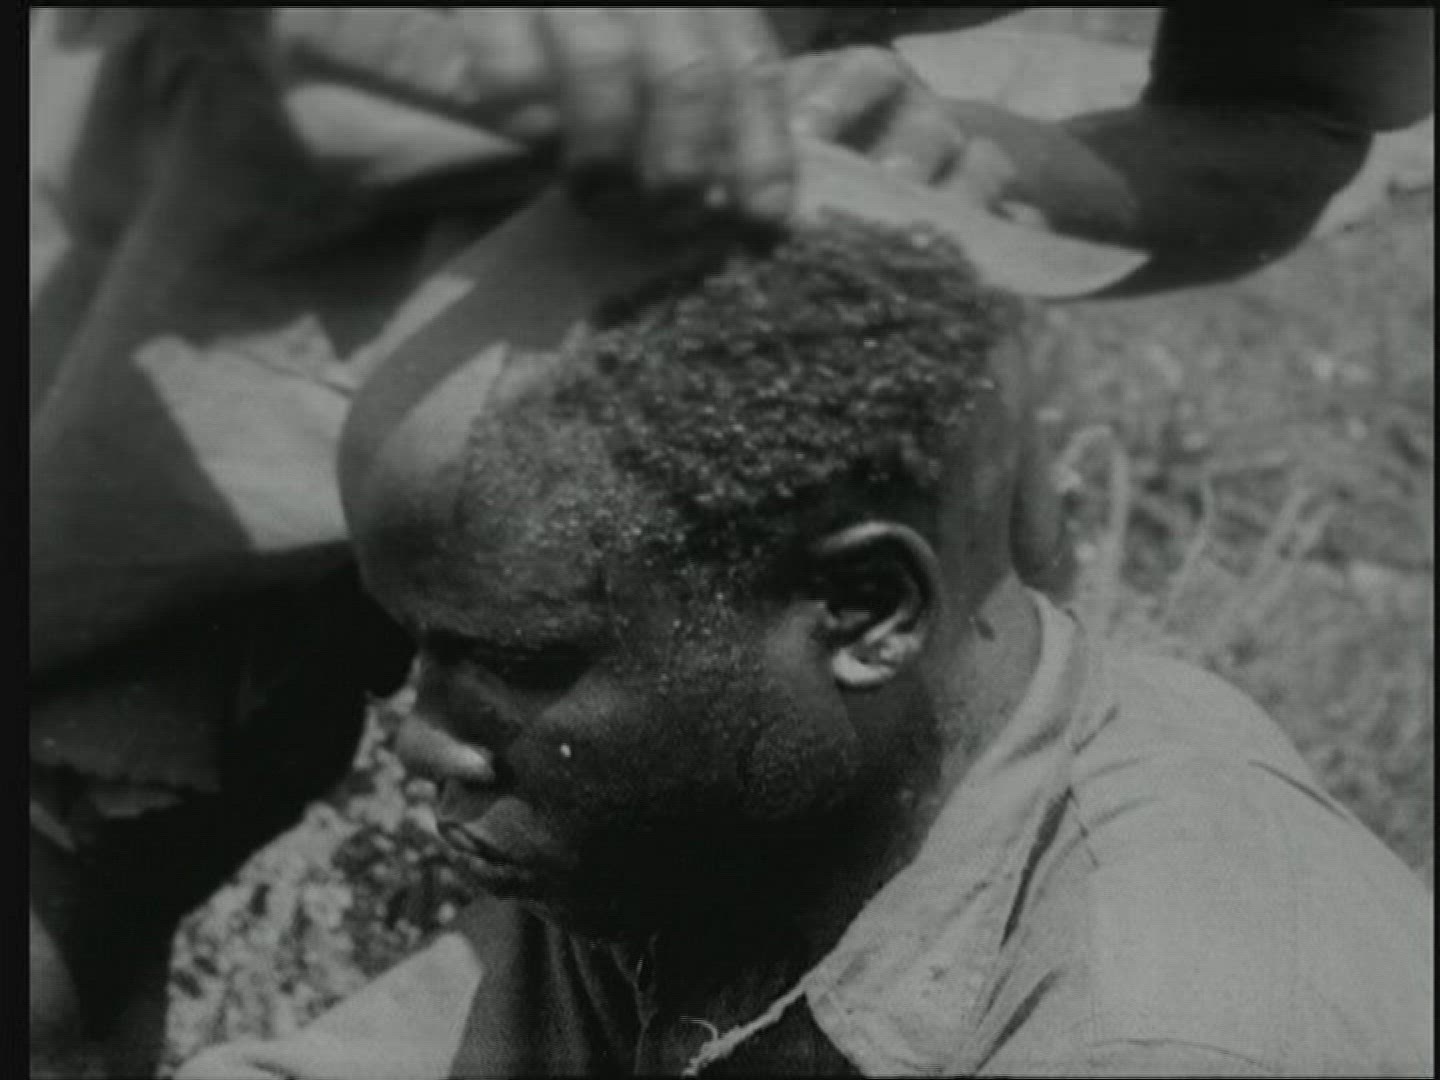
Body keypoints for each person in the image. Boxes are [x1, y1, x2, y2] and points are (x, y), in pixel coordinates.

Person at [30, 7, 1434, 1074]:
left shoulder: (1163, 1024)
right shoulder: (704, 805)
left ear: (870, 610)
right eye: (422, 658)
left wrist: (986, 170)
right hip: (303, 209)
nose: (414, 744)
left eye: (507, 665)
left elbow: (1290, 105)